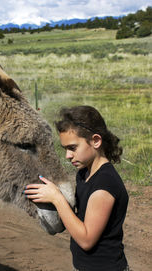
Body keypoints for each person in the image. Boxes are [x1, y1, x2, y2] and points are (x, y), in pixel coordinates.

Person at [24, 105, 129, 271]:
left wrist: (57, 199)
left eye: (72, 148)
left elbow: (86, 240)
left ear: (96, 141)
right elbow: (78, 219)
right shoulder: (84, 174)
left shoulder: (104, 185)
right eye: (65, 149)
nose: (68, 156)